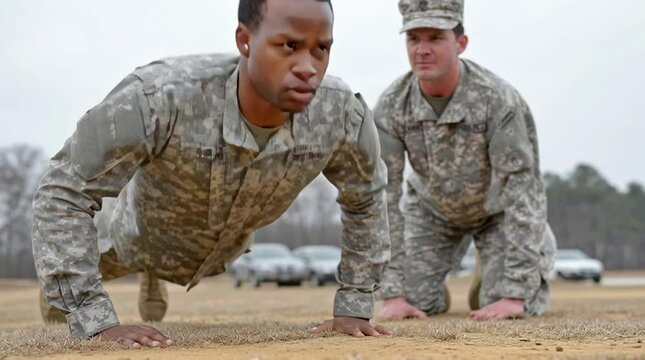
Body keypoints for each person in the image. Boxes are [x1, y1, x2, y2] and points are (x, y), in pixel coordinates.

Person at [32, 0, 391, 348]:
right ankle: (126, 279)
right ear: (245, 40)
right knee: (104, 264)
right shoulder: (161, 97)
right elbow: (64, 188)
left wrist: (355, 307)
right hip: (133, 234)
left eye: (321, 49)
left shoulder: (342, 114)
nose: (308, 66)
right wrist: (91, 316)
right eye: (290, 45)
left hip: (225, 249)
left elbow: (368, 197)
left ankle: (154, 277)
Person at [374, 0, 556, 322]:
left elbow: (522, 190)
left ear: (461, 43)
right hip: (433, 214)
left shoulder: (497, 100)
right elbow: (382, 196)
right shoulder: (392, 106)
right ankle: (431, 283)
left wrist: (514, 292)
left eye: (435, 38)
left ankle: (497, 272)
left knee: (502, 303)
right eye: (414, 39)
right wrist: (393, 293)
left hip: (496, 212)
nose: (422, 49)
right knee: (413, 302)